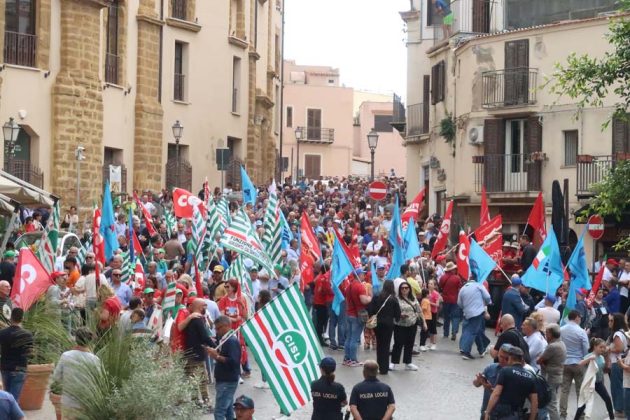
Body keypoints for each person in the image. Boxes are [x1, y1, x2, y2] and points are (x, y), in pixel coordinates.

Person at [51, 327, 100, 417]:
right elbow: (97, 383)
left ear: (76, 339)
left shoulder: (66, 356)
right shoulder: (95, 360)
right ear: (89, 341)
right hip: (86, 404)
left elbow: (56, 377)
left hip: (68, 402)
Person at [484, 345, 538, 420]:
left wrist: (487, 412)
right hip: (517, 415)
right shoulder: (531, 377)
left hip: (502, 414)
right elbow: (534, 402)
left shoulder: (505, 371)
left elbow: (496, 394)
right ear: (521, 359)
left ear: (510, 358)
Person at [207, 315, 242, 420]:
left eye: (218, 328)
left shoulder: (231, 341)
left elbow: (233, 361)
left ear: (226, 326)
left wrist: (216, 356)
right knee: (228, 411)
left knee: (219, 412)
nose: (216, 331)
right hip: (224, 380)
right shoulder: (225, 339)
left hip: (227, 381)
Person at [183, 298, 214, 410]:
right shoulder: (197, 320)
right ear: (200, 307)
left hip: (190, 353)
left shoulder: (191, 319)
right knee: (202, 379)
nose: (206, 308)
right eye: (204, 306)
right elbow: (204, 337)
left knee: (192, 378)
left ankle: (195, 401)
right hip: (197, 354)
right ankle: (206, 402)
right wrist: (215, 346)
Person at [573, 337, 615, 420]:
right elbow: (579, 364)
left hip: (598, 382)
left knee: (607, 399)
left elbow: (603, 370)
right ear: (595, 347)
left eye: (604, 347)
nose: (602, 349)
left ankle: (612, 418)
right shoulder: (589, 356)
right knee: (584, 403)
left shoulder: (602, 357)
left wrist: (608, 362)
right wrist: (589, 359)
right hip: (589, 383)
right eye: (600, 347)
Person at [559, 310, 589, 419]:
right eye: (580, 317)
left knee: (564, 390)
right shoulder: (581, 331)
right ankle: (581, 415)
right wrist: (585, 360)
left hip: (565, 362)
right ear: (576, 317)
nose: (580, 319)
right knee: (580, 390)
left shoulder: (561, 330)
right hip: (578, 363)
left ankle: (562, 414)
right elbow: (586, 348)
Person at [0, 308, 33, 402]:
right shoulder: (27, 335)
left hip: (5, 368)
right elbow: (30, 354)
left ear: (11, 317)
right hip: (20, 369)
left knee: (6, 398)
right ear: (22, 318)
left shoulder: (2, 333)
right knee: (14, 400)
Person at [368, 280, 400, 375]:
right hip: (388, 324)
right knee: (386, 346)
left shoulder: (376, 297)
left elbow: (370, 310)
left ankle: (378, 365)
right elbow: (397, 314)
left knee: (379, 344)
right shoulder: (393, 299)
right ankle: (384, 368)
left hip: (378, 324)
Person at [391, 281, 423, 371]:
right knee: (398, 343)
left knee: (410, 343)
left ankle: (408, 362)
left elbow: (419, 310)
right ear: (400, 289)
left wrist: (424, 323)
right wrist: (400, 315)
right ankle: (393, 362)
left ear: (409, 289)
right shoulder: (396, 299)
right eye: (402, 288)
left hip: (412, 324)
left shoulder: (413, 299)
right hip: (399, 325)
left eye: (406, 288)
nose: (404, 290)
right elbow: (393, 311)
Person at [458, 276, 492, 360]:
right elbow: (487, 297)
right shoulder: (479, 285)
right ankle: (467, 351)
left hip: (467, 313)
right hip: (477, 312)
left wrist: (465, 308)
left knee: (469, 330)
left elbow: (459, 303)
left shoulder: (463, 288)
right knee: (473, 332)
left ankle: (479, 348)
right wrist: (487, 303)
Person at [537, 323, 566, 420]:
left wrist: (541, 361)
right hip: (558, 376)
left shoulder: (552, 346)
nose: (545, 335)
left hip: (551, 377)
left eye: (546, 333)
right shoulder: (561, 343)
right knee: (550, 402)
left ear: (550, 334)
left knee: (551, 404)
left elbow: (539, 360)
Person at [343, 270, 371, 367]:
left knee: (349, 338)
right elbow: (364, 301)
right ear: (359, 275)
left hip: (349, 314)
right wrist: (370, 297)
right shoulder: (359, 286)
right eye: (363, 274)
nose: (364, 275)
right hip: (357, 315)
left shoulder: (349, 286)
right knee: (354, 339)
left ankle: (347, 359)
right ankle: (353, 360)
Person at [473, 346, 510, 420]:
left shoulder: (512, 374)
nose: (502, 360)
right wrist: (479, 381)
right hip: (486, 412)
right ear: (498, 354)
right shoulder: (491, 368)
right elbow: (476, 384)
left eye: (506, 358)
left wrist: (490, 389)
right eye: (501, 356)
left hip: (502, 415)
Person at [607, 312, 629, 417]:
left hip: (617, 362)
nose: (609, 323)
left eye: (612, 321)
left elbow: (619, 348)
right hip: (621, 361)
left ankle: (619, 409)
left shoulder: (617, 334)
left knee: (616, 387)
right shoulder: (624, 332)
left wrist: (608, 349)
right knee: (621, 386)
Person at [439, 261, 463, 341]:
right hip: (455, 300)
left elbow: (440, 286)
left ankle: (446, 333)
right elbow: (460, 288)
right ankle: (454, 332)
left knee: (446, 317)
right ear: (452, 269)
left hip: (445, 299)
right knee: (455, 317)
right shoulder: (457, 278)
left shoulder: (443, 277)